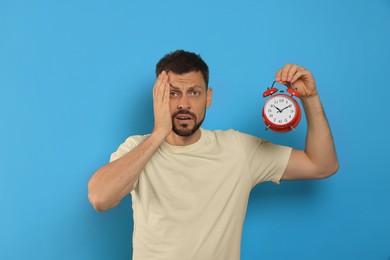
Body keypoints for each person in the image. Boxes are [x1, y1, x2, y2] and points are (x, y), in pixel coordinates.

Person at [88, 50, 339, 260]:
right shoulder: (137, 147)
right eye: (173, 93)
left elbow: (321, 165)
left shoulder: (237, 149)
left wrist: (310, 99)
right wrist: (158, 134)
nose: (183, 104)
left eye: (194, 93)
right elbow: (100, 198)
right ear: (159, 96)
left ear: (208, 98)